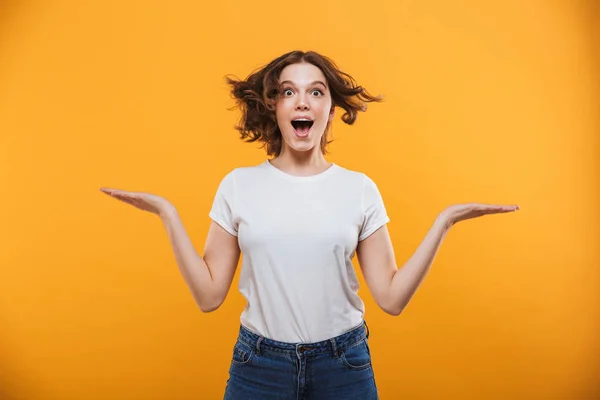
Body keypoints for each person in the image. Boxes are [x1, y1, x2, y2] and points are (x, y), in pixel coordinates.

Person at [100, 50, 520, 399]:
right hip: (258, 367)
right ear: (275, 106)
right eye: (288, 92)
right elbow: (209, 296)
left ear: (330, 110)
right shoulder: (238, 186)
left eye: (315, 92)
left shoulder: (359, 189)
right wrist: (168, 215)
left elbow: (391, 298)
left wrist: (444, 223)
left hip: (344, 366)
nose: (302, 102)